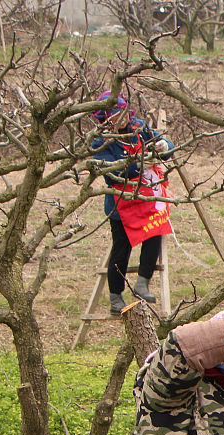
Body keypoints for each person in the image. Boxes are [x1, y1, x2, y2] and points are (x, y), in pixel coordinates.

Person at [90, 91, 173, 315]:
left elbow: (167, 145)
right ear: (106, 118)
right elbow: (112, 173)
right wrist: (140, 162)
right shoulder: (100, 141)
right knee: (121, 249)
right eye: (117, 114)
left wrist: (162, 146)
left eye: (124, 111)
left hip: (146, 199)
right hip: (121, 204)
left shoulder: (139, 128)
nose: (123, 117)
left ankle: (143, 283)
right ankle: (115, 296)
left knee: (155, 233)